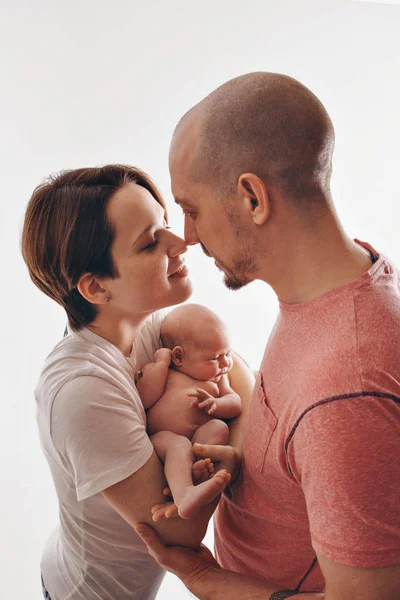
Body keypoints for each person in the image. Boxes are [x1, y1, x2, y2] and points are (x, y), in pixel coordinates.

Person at [135, 72, 400, 599]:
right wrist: (251, 465)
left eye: (191, 209)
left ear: (253, 198)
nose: (187, 234)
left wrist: (207, 581)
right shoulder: (336, 289)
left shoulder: (344, 384)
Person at [21, 165, 254, 600]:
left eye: (164, 225)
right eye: (150, 242)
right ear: (95, 287)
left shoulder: (145, 326)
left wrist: (234, 417)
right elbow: (180, 531)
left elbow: (235, 368)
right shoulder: (83, 392)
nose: (181, 241)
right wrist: (236, 445)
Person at [136, 303, 241, 520]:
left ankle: (196, 476)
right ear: (178, 357)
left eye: (227, 354)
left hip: (198, 441)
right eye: (214, 358)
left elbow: (235, 403)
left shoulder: (219, 379)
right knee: (179, 445)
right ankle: (184, 493)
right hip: (163, 441)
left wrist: (217, 404)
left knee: (218, 427)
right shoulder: (166, 372)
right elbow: (145, 398)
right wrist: (161, 365)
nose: (225, 363)